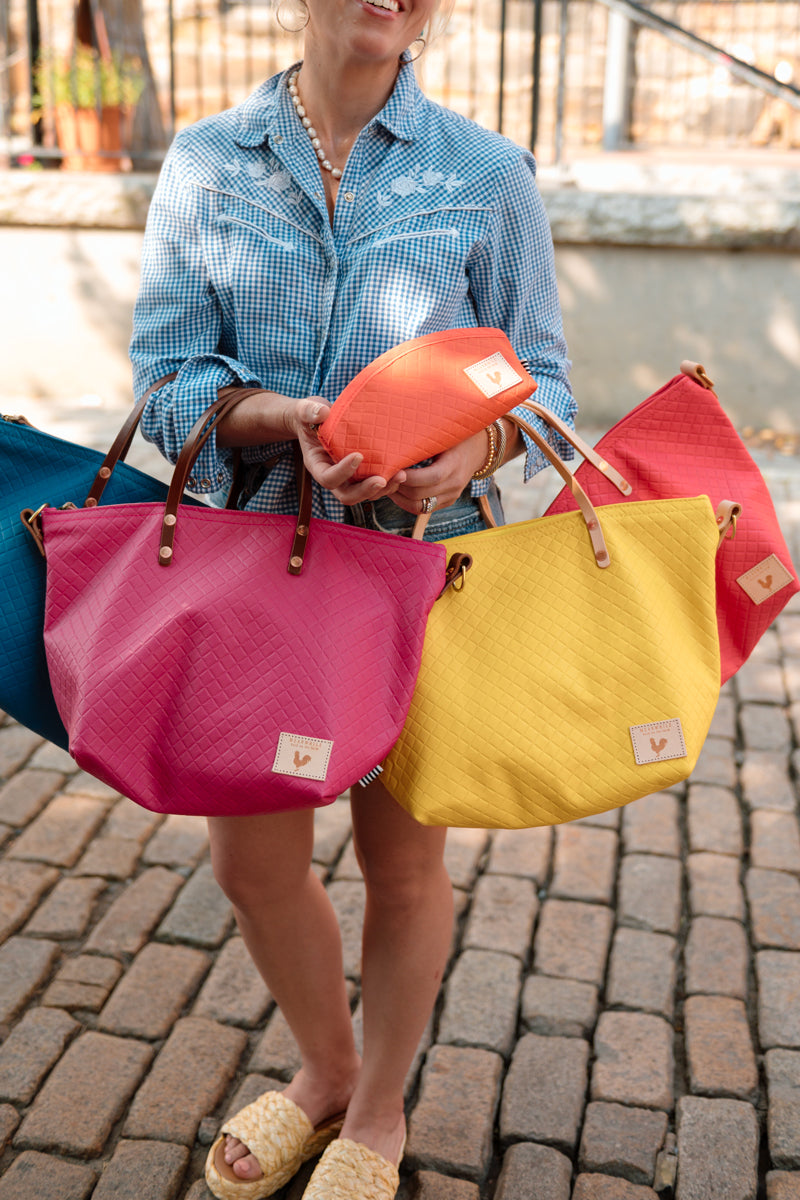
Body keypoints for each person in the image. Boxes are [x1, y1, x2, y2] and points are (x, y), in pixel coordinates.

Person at [129, 0, 574, 1194]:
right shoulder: (208, 163)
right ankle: (324, 1070)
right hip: (256, 561)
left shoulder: (485, 174)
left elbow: (541, 380)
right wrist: (274, 417)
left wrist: (470, 454)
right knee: (252, 865)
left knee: (403, 863)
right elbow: (165, 378)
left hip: (420, 567)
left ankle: (376, 1106)